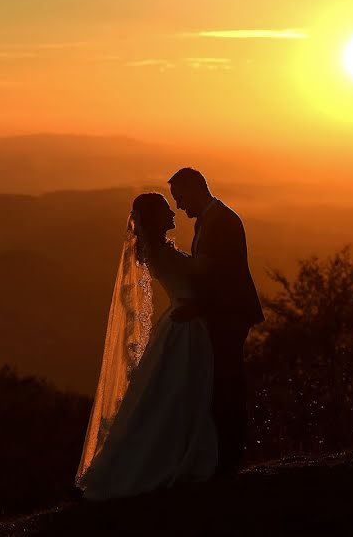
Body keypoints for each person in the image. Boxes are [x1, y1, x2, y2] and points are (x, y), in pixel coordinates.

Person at [76, 192, 217, 500]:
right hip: (185, 325)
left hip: (181, 323)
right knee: (177, 393)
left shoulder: (157, 251)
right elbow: (198, 275)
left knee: (169, 394)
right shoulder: (162, 254)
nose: (173, 214)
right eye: (167, 210)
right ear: (155, 219)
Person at [168, 167, 265, 477]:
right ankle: (225, 456)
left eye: (180, 198)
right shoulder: (212, 220)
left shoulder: (220, 221)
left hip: (230, 314)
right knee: (222, 382)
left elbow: (221, 278)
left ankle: (229, 458)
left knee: (227, 383)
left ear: (195, 189)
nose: (180, 207)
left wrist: (195, 306)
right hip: (224, 313)